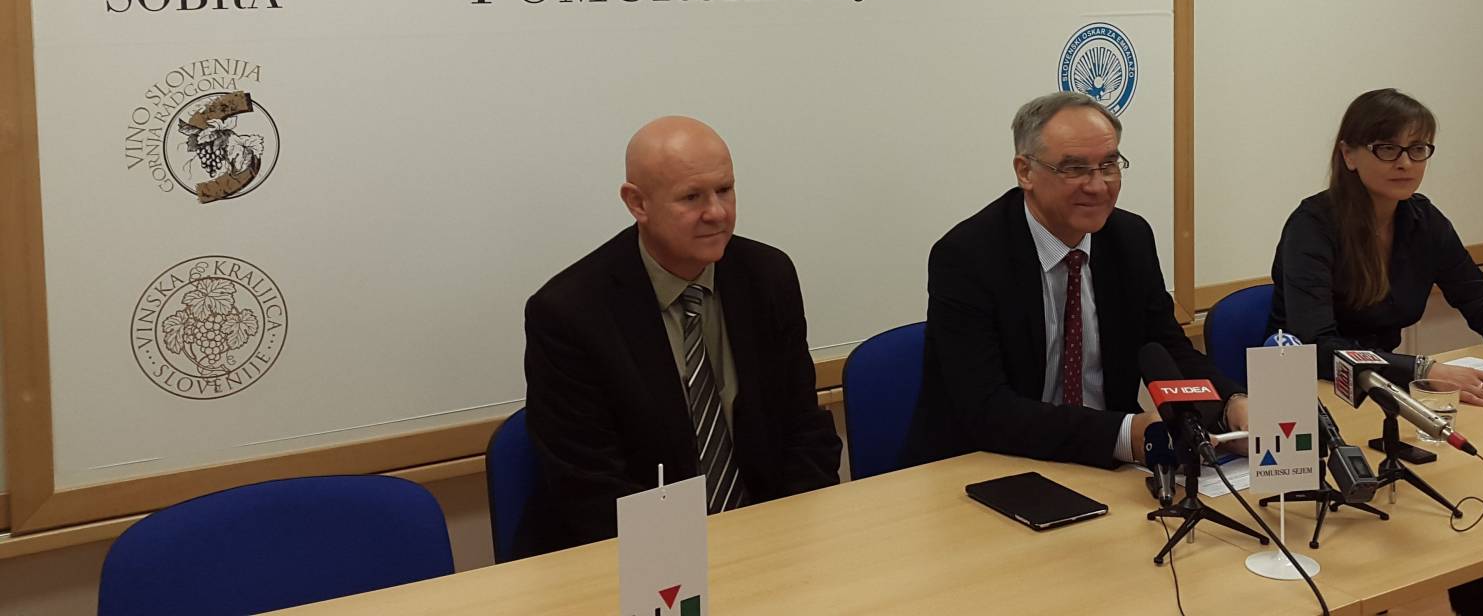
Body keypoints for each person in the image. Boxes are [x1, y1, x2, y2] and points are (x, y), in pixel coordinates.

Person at [1268, 88, 1483, 616]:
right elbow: (1315, 347)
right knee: (1366, 550)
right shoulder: (1313, 225)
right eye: (1387, 148)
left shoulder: (1421, 220)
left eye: (1418, 149)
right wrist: (1424, 369)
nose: (1405, 163)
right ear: (1349, 154)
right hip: (1313, 405)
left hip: (1387, 397)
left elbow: (1481, 300)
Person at [515, 116, 841, 558]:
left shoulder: (767, 276)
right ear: (637, 203)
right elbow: (589, 486)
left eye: (725, 190)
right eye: (692, 197)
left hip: (767, 542)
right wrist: (695, 563)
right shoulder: (569, 313)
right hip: (637, 559)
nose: (717, 212)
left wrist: (786, 540)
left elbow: (804, 430)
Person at [904, 91, 1247, 469]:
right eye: (1074, 169)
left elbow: (1167, 348)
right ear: (1025, 172)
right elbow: (987, 409)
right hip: (988, 464)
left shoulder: (1129, 238)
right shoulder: (968, 257)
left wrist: (1231, 405)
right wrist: (1125, 435)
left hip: (1106, 464)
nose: (1098, 186)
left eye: (1109, 164)